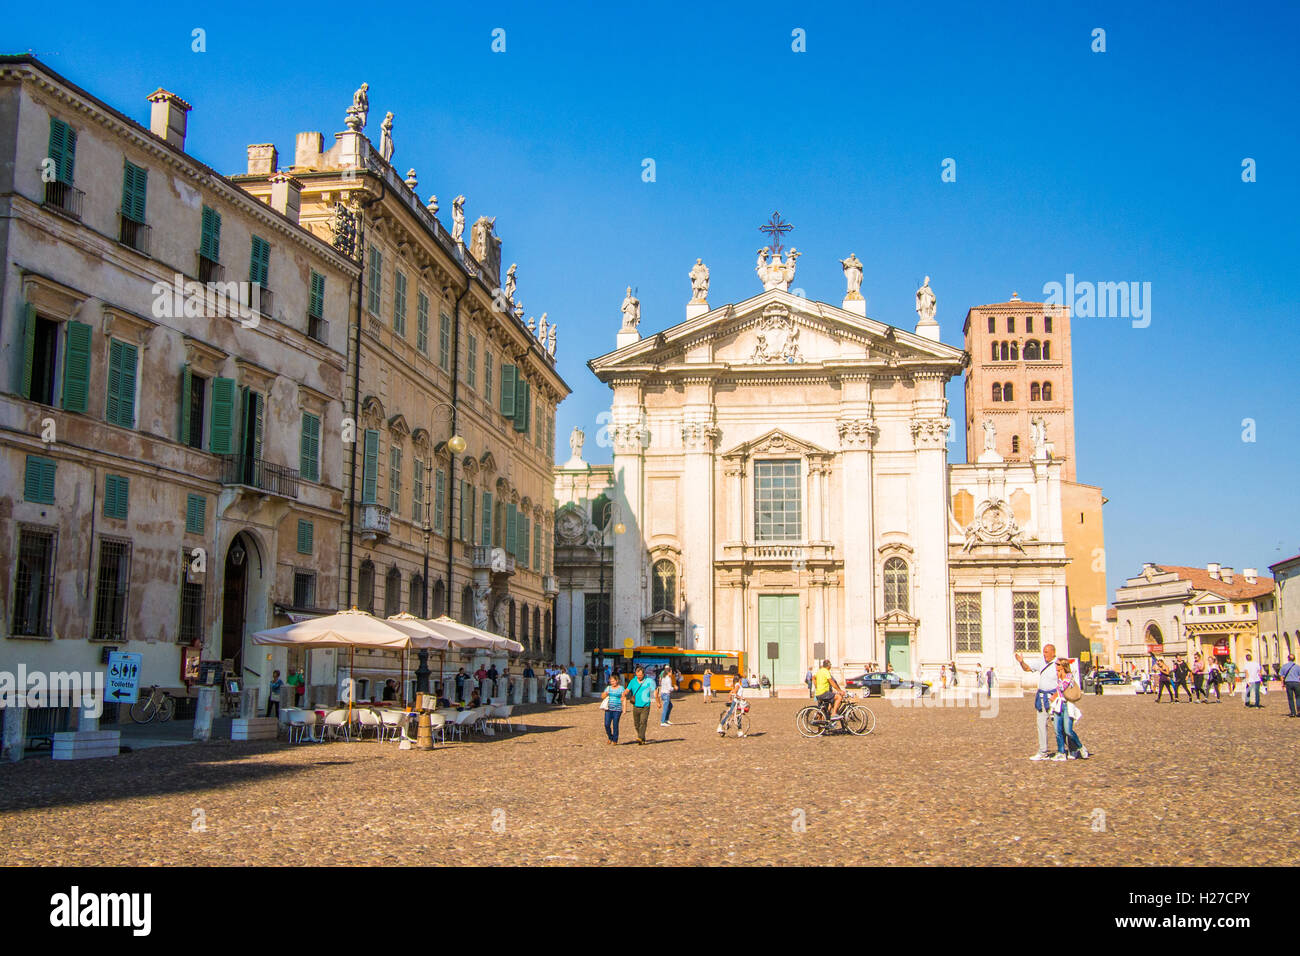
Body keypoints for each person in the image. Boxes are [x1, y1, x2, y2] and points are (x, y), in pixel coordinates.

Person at [1014, 644, 1059, 761]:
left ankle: (1068, 749)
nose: (1045, 654)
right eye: (1044, 652)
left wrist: (1058, 694)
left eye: (1047, 652)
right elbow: (1027, 668)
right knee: (1041, 725)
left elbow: (1065, 679)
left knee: (1058, 726)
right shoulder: (1041, 662)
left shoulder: (1059, 664)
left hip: (1055, 700)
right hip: (1042, 698)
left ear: (1053, 652)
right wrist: (1021, 662)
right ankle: (1043, 751)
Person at [1050, 658, 1089, 761]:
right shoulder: (1058, 676)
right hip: (1059, 705)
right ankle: (1061, 752)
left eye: (1058, 664)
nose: (1056, 666)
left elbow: (1062, 687)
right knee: (1058, 730)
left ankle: (1080, 747)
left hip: (1067, 705)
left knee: (1068, 730)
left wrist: (1059, 678)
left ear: (1063, 666)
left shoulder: (1069, 676)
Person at [623, 665, 657, 745]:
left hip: (646, 705)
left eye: (640, 675)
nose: (639, 677)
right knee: (636, 723)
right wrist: (623, 694)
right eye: (637, 675)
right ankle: (642, 738)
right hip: (636, 704)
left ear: (643, 674)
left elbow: (654, 692)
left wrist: (657, 702)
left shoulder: (649, 681)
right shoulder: (633, 681)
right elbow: (627, 690)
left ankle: (640, 737)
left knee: (643, 722)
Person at [601, 672, 625, 744]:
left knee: (615, 724)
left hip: (617, 709)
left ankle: (615, 740)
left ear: (617, 680)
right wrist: (605, 694)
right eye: (611, 681)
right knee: (606, 724)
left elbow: (624, 698)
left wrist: (624, 709)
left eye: (613, 681)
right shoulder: (608, 688)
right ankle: (610, 737)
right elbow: (602, 697)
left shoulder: (621, 688)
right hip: (608, 709)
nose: (612, 682)